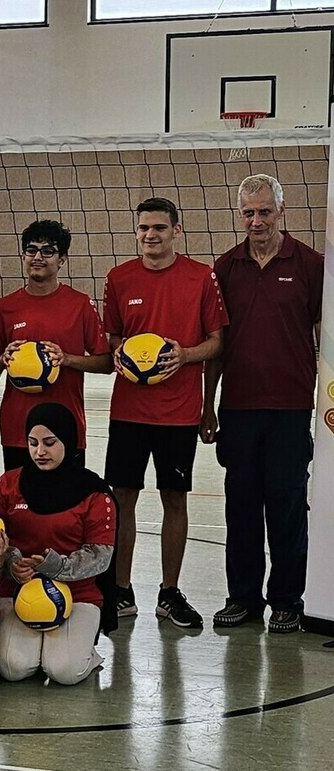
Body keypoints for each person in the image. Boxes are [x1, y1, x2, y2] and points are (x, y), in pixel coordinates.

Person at [201, 174, 322, 634]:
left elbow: (323, 338)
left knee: (288, 505)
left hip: (291, 410)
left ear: (281, 212)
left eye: (265, 211)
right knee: (242, 506)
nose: (256, 220)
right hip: (239, 409)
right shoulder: (225, 268)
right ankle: (244, 599)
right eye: (248, 212)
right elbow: (218, 344)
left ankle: (288, 600)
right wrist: (207, 405)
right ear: (240, 215)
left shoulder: (311, 265)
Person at [102, 197, 228, 628]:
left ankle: (169, 593)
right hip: (129, 411)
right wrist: (119, 351)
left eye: (159, 227)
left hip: (177, 412)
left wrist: (186, 355)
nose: (150, 235)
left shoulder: (200, 277)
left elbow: (217, 343)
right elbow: (114, 338)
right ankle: (120, 591)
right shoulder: (119, 278)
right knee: (122, 499)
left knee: (175, 498)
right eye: (143, 228)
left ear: (177, 229)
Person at [0, 403, 117, 686]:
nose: (39, 452)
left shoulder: (94, 492)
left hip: (77, 592)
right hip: (18, 589)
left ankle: (85, 653)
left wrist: (56, 566)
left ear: (68, 441)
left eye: (49, 443)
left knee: (64, 671)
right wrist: (11, 563)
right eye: (33, 443)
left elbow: (101, 554)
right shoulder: (9, 484)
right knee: (12, 668)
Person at [0, 220, 110, 472]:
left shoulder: (80, 304)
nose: (38, 257)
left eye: (48, 251)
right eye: (31, 250)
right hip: (18, 428)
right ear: (23, 255)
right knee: (20, 506)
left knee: (66, 507)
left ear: (61, 259)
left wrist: (67, 359)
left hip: (65, 426)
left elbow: (106, 363)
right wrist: (1, 359)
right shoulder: (6, 307)